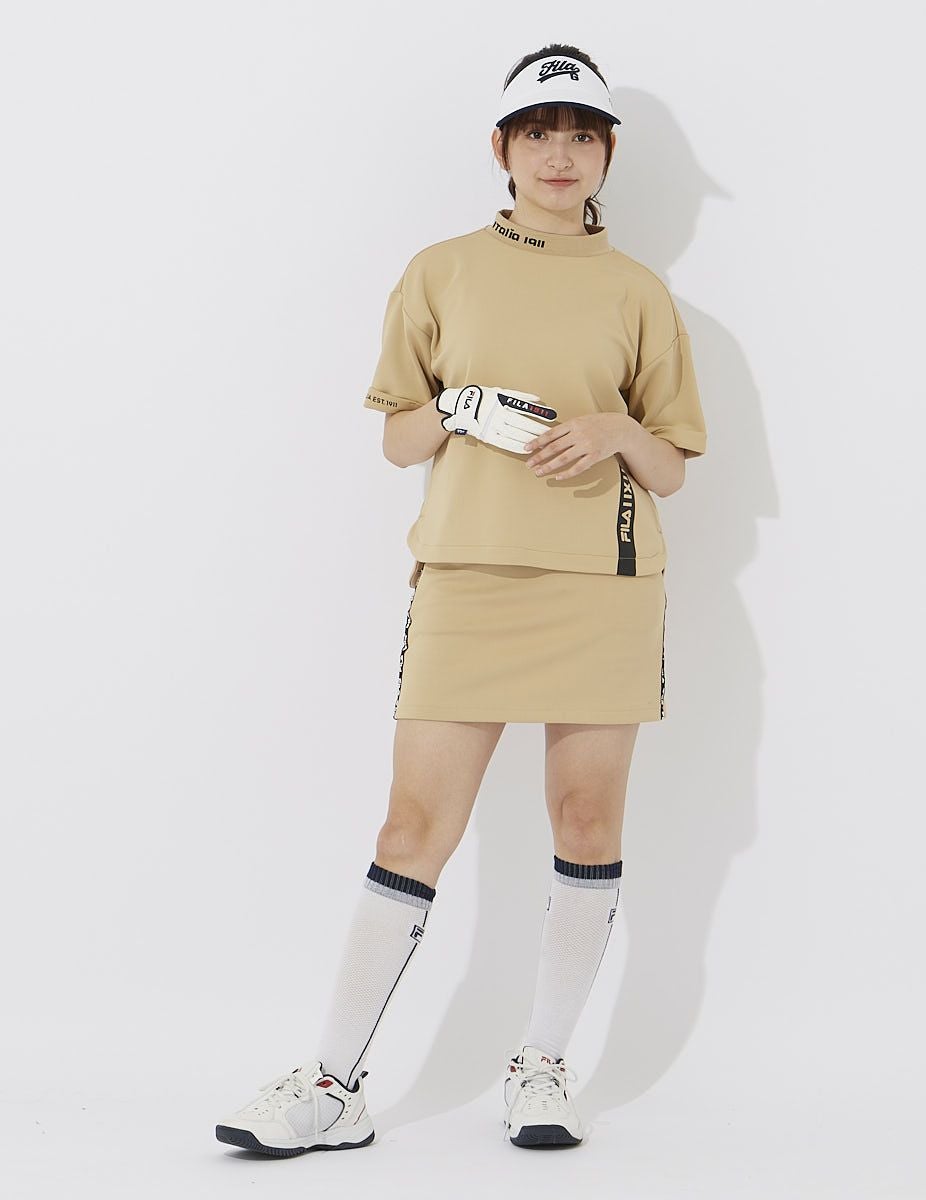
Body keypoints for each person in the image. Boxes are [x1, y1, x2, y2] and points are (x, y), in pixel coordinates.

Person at [215, 41, 707, 1157]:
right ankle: (333, 1083)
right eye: (538, 134)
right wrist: (455, 408)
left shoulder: (638, 291)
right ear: (502, 147)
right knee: (411, 828)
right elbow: (398, 438)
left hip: (604, 584)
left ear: (607, 153)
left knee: (587, 824)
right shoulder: (439, 271)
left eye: (581, 135)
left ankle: (542, 1066)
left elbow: (673, 463)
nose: (560, 155)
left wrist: (617, 429)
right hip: (468, 579)